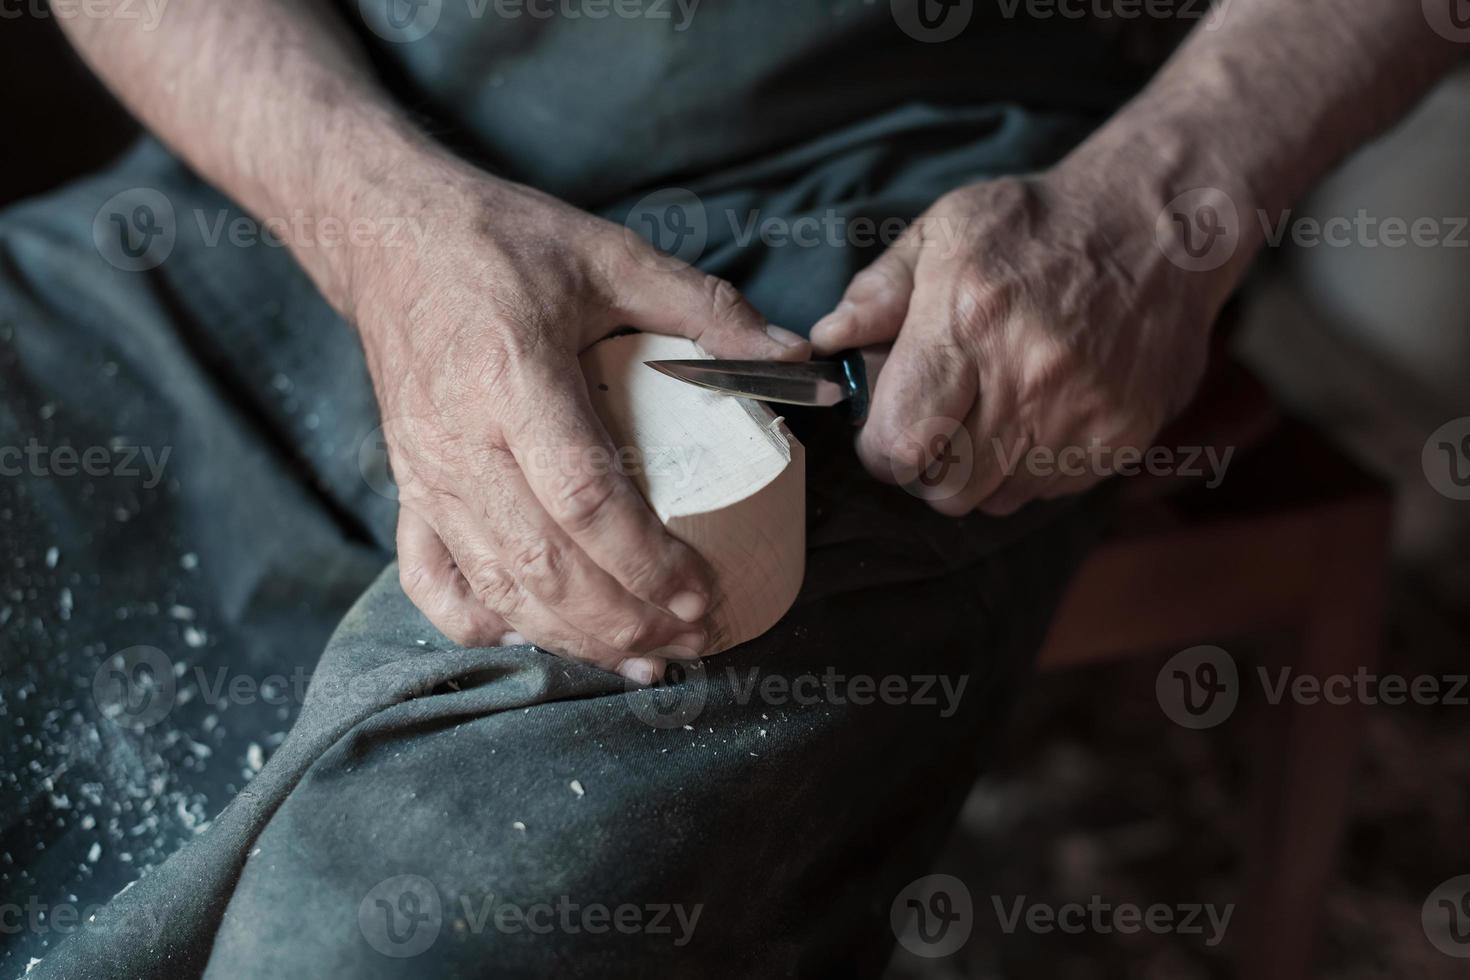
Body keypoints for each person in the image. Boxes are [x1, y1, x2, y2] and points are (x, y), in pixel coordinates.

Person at [1, 1, 1459, 976]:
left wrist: (1176, 193)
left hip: (905, 252)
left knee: (406, 925)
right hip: (295, 167)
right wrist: (376, 225)